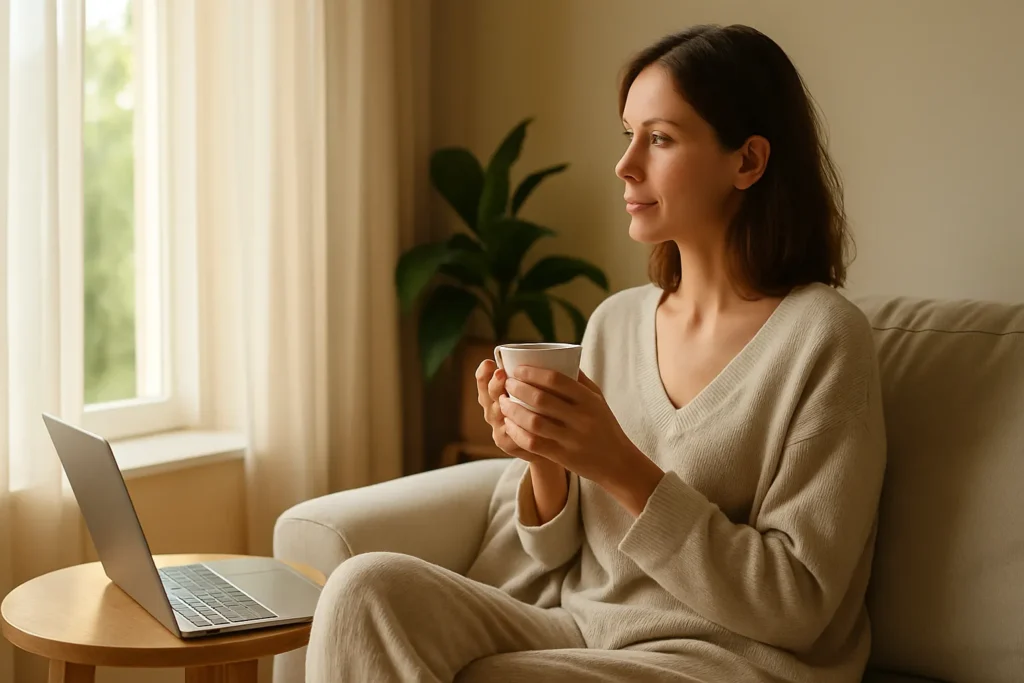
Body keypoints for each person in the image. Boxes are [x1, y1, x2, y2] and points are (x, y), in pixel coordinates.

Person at [306, 24, 887, 683]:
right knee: (364, 587)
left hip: (725, 661)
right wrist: (544, 458)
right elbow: (550, 554)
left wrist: (619, 465)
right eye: (628, 134)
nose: (626, 163)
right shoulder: (616, 321)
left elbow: (798, 602)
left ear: (747, 161)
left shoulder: (823, 339)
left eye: (660, 138)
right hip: (585, 630)